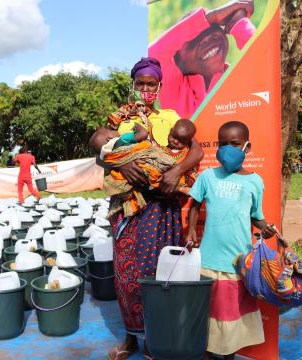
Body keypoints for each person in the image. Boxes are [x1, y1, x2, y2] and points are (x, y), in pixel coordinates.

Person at [91, 57, 204, 360]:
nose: (145, 89)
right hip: (127, 207)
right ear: (133, 85)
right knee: (127, 275)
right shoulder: (120, 119)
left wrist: (177, 172)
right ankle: (131, 338)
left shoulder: (171, 116)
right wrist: (124, 164)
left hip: (160, 208)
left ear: (159, 86)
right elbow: (101, 152)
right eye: (140, 83)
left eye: (150, 84)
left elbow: (196, 149)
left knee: (159, 272)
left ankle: (156, 338)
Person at [186, 121, 276, 359]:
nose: (227, 149)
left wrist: (267, 230)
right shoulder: (208, 176)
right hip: (209, 259)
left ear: (247, 147)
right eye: (223, 144)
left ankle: (228, 355)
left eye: (234, 144)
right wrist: (191, 230)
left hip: (238, 262)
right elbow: (194, 204)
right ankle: (206, 352)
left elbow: (257, 217)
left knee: (231, 314)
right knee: (208, 312)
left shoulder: (255, 181)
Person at [149, 0, 256, 118]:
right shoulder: (176, 90)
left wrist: (239, 24)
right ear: (178, 59)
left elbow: (266, 58)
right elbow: (154, 54)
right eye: (194, 38)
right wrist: (212, 17)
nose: (208, 37)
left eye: (213, 27)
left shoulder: (237, 76)